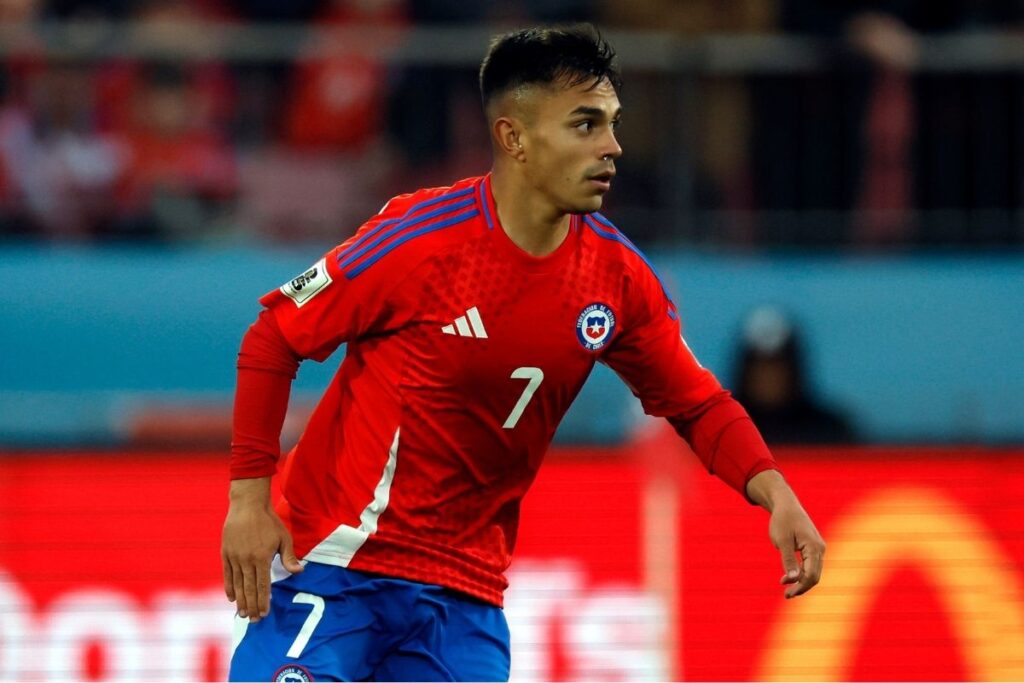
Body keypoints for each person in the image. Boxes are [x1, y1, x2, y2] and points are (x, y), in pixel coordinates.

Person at [222, 24, 826, 682]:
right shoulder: (420, 240)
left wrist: (776, 493)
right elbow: (274, 335)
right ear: (515, 138)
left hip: (463, 598)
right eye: (585, 125)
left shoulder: (618, 279)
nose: (613, 147)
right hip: (334, 566)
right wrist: (249, 503)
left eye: (613, 124)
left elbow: (697, 402)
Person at [733, 305, 856, 444]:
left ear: (795, 369)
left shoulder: (829, 431)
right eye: (759, 365)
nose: (769, 376)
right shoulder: (720, 431)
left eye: (778, 365)